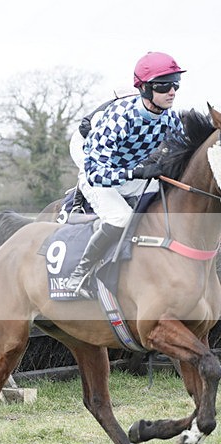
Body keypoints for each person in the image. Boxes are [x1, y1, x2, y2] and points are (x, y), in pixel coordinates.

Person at [64, 51, 185, 297]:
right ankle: (78, 276)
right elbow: (96, 173)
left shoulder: (170, 118)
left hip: (129, 171)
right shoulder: (120, 117)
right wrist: (137, 172)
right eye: (164, 86)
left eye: (175, 84)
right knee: (121, 218)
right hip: (96, 170)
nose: (171, 91)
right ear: (144, 89)